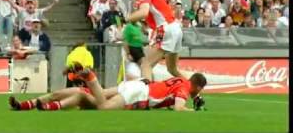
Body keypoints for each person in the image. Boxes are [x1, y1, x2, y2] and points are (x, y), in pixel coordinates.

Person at [41, 70, 207, 111]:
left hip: (139, 84)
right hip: (140, 93)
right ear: (198, 86)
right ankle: (91, 77)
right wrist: (192, 110)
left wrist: (194, 99)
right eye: (199, 91)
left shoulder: (181, 80)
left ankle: (44, 99)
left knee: (97, 94)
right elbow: (178, 108)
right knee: (104, 107)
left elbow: (170, 101)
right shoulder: (185, 87)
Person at [126, 0, 184, 81]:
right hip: (175, 27)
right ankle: (195, 92)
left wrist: (127, 18)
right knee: (172, 69)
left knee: (145, 65)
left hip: (165, 28)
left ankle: (146, 97)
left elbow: (144, 12)